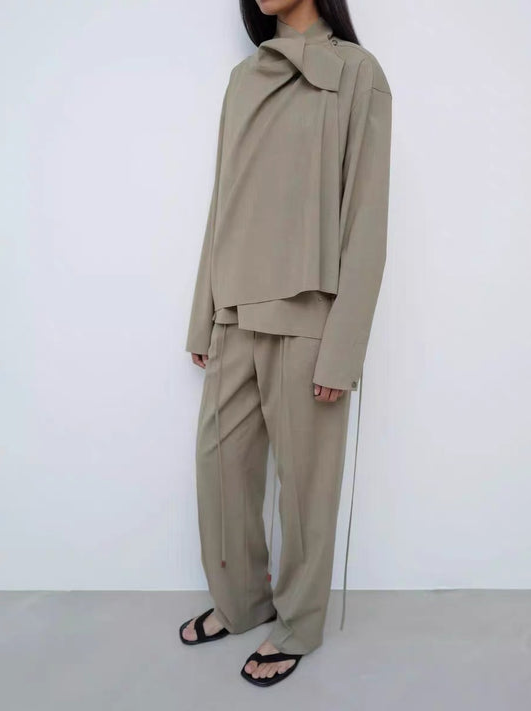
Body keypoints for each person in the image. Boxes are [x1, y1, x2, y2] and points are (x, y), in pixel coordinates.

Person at [179, 0, 392, 687]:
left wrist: (343, 347)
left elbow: (366, 218)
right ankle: (242, 601)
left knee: (304, 490)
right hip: (235, 310)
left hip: (309, 315)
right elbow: (224, 200)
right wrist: (203, 314)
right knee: (219, 469)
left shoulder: (356, 72)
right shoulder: (243, 79)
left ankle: (298, 624)